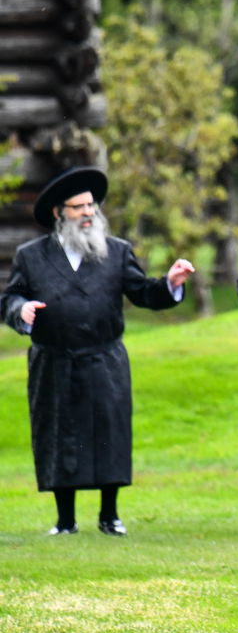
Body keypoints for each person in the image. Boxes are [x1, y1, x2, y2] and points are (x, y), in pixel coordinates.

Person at [1, 167, 194, 536]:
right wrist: (19, 311)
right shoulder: (31, 256)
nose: (88, 213)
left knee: (110, 432)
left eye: (92, 205)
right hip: (53, 360)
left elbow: (142, 292)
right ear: (60, 214)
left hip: (104, 359)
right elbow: (10, 297)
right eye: (78, 207)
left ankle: (110, 516)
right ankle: (65, 520)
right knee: (58, 435)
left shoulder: (117, 252)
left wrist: (170, 283)